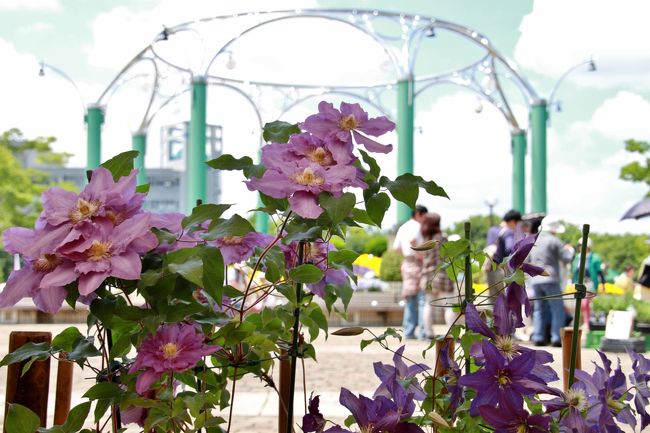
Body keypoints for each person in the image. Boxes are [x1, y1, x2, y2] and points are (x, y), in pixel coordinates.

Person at [528, 220, 574, 347]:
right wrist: (571, 250)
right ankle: (556, 338)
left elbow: (527, 260)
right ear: (554, 229)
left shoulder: (533, 240)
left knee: (539, 310)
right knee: (557, 309)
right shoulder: (554, 241)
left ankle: (538, 336)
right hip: (550, 278)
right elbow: (567, 258)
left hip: (536, 279)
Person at [393, 205, 428, 339]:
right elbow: (415, 244)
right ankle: (423, 332)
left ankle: (408, 331)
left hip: (407, 263)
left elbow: (396, 248)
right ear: (419, 214)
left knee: (410, 299)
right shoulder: (419, 227)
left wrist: (406, 256)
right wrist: (421, 257)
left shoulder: (403, 227)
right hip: (418, 263)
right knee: (422, 299)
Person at [417, 213, 455, 338]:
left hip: (428, 274)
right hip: (442, 273)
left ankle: (429, 332)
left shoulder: (425, 240)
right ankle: (451, 333)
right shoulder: (442, 237)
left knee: (428, 304)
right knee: (448, 305)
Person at [572, 238, 605, 329]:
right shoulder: (577, 257)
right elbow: (574, 272)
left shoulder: (595, 257)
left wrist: (603, 284)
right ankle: (580, 323)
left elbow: (600, 272)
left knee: (585, 303)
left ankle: (587, 323)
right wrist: (572, 283)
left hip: (590, 283)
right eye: (580, 246)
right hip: (579, 283)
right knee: (579, 304)